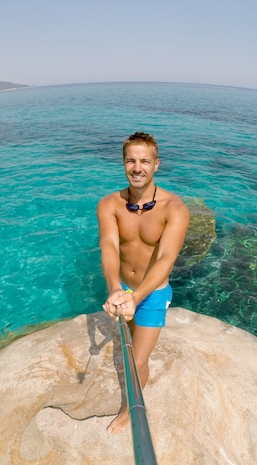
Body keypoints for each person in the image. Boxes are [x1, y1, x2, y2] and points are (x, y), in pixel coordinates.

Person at [97, 131, 190, 434]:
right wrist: (114, 288)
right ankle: (135, 394)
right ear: (124, 163)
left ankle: (131, 410)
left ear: (156, 165)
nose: (137, 168)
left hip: (151, 294)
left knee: (135, 362)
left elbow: (165, 259)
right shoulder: (109, 204)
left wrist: (137, 297)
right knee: (133, 351)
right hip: (122, 290)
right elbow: (109, 246)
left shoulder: (174, 209)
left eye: (144, 162)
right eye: (131, 161)